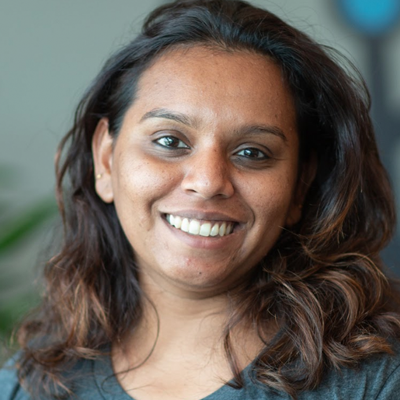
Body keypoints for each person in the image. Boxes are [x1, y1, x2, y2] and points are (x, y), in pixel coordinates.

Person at [1, 0, 400, 398]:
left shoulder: (378, 380)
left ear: (300, 186)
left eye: (252, 153)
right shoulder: (30, 383)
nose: (209, 182)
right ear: (105, 159)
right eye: (169, 141)